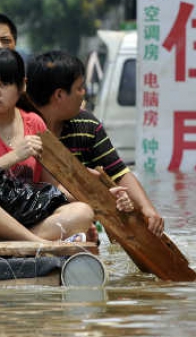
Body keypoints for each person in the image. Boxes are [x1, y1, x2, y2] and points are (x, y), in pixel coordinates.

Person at [0, 47, 108, 242]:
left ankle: (25, 240)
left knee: (82, 212)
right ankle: (38, 244)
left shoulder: (34, 123)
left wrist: (97, 195)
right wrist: (13, 157)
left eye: (3, 84)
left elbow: (52, 187)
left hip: (22, 220)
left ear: (22, 86)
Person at [26, 50, 165, 236]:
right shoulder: (22, 128)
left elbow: (118, 172)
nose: (83, 94)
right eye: (79, 88)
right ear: (59, 95)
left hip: (72, 218)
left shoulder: (87, 125)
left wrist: (147, 209)